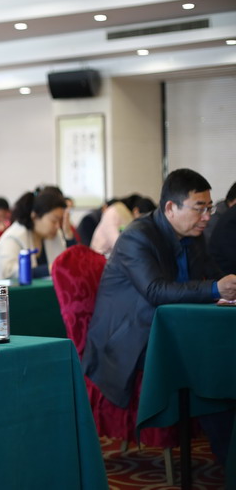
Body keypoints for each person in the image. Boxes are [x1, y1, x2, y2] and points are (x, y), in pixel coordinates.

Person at [82, 169, 236, 463]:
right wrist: (216, 288)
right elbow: (156, 290)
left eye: (210, 208)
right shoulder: (137, 236)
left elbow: (214, 275)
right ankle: (228, 456)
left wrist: (227, 287)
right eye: (199, 208)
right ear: (170, 208)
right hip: (129, 338)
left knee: (222, 352)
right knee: (208, 360)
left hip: (172, 330)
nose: (207, 217)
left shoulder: (193, 235)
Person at [0, 190, 67, 280]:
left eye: (60, 221)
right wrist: (47, 269)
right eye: (54, 221)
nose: (58, 226)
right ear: (34, 216)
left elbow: (64, 264)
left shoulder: (54, 235)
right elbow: (9, 271)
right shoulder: (15, 236)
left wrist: (69, 236)